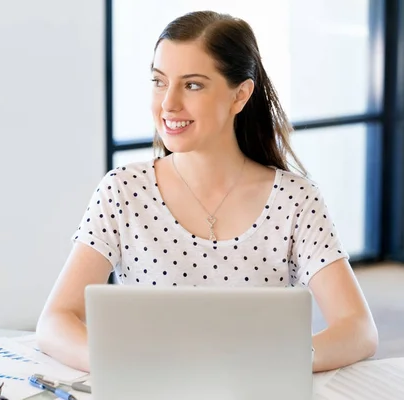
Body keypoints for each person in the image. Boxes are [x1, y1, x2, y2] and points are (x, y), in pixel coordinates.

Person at [35, 10, 378, 374]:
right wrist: (126, 365)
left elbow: (358, 329)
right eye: (158, 81)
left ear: (240, 95)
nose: (168, 103)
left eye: (193, 84)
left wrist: (269, 363)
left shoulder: (295, 199)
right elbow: (55, 320)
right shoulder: (122, 191)